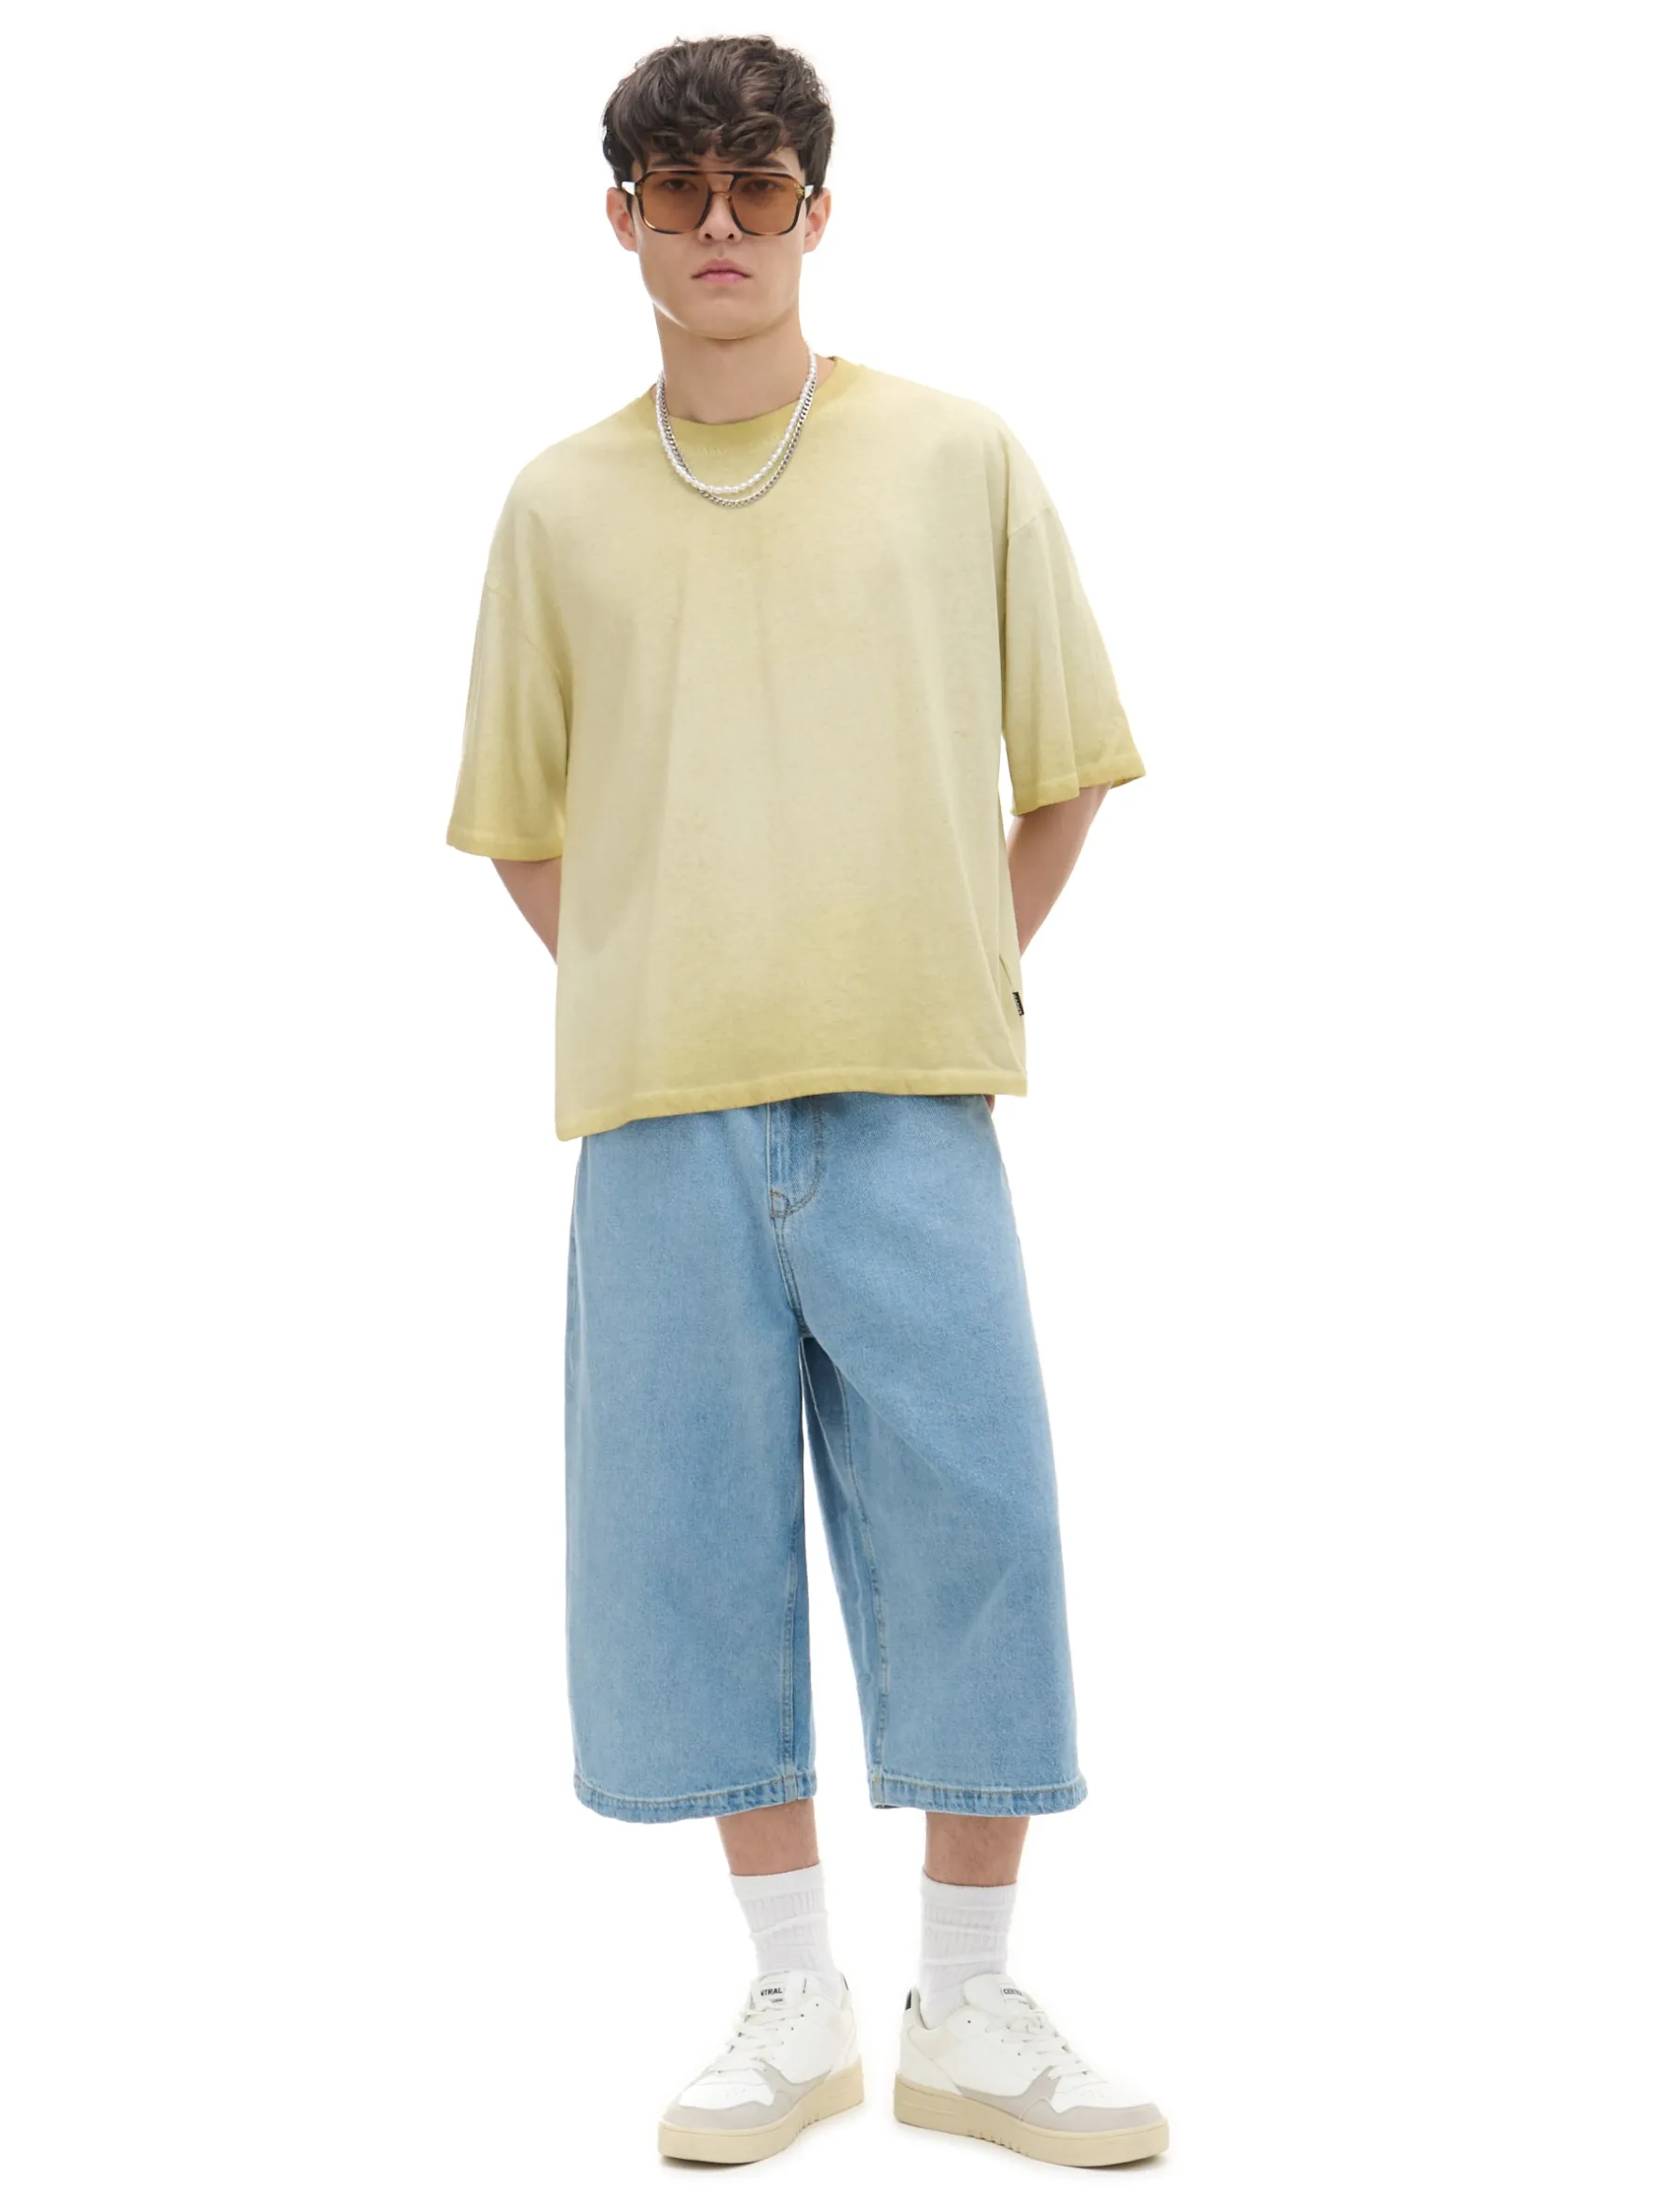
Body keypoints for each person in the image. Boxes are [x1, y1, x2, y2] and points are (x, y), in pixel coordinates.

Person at [445, 33, 1166, 2171]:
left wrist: (936, 960)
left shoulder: (954, 458)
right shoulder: (555, 506)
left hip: (911, 1095)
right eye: (677, 192)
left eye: (756, 187)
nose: (719, 228)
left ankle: (966, 1999)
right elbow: (523, 827)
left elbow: (1065, 770)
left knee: (978, 1520)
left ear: (816, 210)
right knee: (684, 1545)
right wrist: (665, 975)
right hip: (659, 1107)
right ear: (619, 220)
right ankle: (790, 1990)